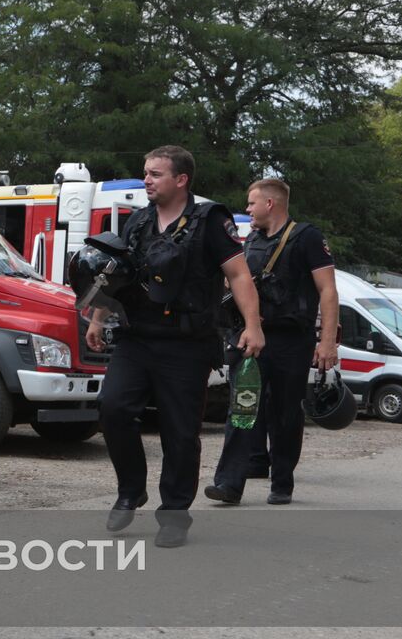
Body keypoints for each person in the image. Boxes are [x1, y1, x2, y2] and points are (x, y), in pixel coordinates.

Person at [86, 146, 263, 548]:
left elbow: (238, 275)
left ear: (181, 180)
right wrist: (98, 318)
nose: (146, 180)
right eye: (145, 172)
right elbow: (117, 276)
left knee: (180, 432)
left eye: (155, 174)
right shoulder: (138, 222)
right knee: (113, 410)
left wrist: (253, 326)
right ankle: (131, 490)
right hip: (136, 337)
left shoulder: (210, 221)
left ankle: (174, 515)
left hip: (187, 343)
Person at [206, 178, 338, 505]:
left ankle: (282, 481)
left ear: (270, 204)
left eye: (251, 203)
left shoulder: (306, 237)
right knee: (243, 407)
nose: (247, 209)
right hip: (252, 337)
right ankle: (229, 484)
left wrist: (328, 342)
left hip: (291, 340)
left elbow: (328, 290)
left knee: (285, 413)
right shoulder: (250, 240)